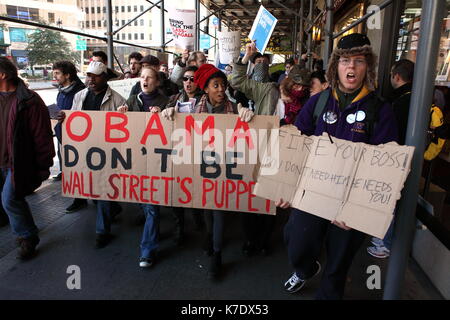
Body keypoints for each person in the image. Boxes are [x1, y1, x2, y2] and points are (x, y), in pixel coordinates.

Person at [279, 33, 399, 299]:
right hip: (314, 193)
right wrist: (286, 186)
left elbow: (385, 167)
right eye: (345, 60)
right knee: (297, 243)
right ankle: (305, 269)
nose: (352, 67)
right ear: (336, 66)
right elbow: (296, 145)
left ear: (367, 66)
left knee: (337, 268)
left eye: (359, 61)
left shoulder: (380, 110)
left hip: (351, 205)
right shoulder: (319, 102)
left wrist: (357, 209)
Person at [161, 64, 255, 279]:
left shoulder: (235, 109)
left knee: (218, 208)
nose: (221, 90)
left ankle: (217, 253)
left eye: (223, 85)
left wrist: (245, 113)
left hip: (223, 167)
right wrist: (170, 113)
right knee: (206, 206)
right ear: (205, 89)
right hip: (201, 167)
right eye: (216, 85)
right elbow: (177, 124)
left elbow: (247, 127)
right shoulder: (192, 109)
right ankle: (211, 236)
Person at [367, 59, 445, 259]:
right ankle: (389, 240)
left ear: (397, 77)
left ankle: (385, 242)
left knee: (390, 200)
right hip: (419, 158)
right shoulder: (425, 97)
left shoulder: (399, 102)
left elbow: (393, 134)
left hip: (397, 158)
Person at [57, 61, 126, 249]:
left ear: (105, 77)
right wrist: (65, 118)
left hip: (106, 151)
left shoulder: (118, 100)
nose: (91, 79)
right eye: (89, 75)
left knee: (102, 188)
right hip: (85, 150)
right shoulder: (79, 96)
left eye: (96, 76)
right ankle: (113, 207)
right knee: (94, 189)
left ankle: (102, 231)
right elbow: (73, 120)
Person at [0, 57, 55, 259]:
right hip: (1, 161)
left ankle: (27, 236)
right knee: (12, 199)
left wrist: (44, 165)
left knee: (10, 199)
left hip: (19, 162)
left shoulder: (29, 100)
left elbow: (42, 135)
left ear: (3, 75)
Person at [117, 67, 168, 267]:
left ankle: (147, 250)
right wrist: (121, 115)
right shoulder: (131, 102)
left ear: (157, 82)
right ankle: (152, 229)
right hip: (135, 159)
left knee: (151, 205)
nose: (145, 80)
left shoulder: (166, 102)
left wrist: (164, 115)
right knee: (144, 202)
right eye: (142, 77)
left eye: (149, 77)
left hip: (155, 161)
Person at [165, 65, 205, 245]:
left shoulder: (206, 100)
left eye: (192, 79)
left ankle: (198, 217)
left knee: (195, 187)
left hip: (198, 151)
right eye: (186, 78)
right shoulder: (173, 99)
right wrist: (165, 112)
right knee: (176, 191)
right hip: (177, 151)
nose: (188, 82)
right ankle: (179, 227)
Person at [52, 61, 86, 183]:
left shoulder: (81, 91)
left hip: (75, 135)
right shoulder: (60, 91)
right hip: (61, 133)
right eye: (54, 73)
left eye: (57, 73)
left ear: (67, 75)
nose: (54, 76)